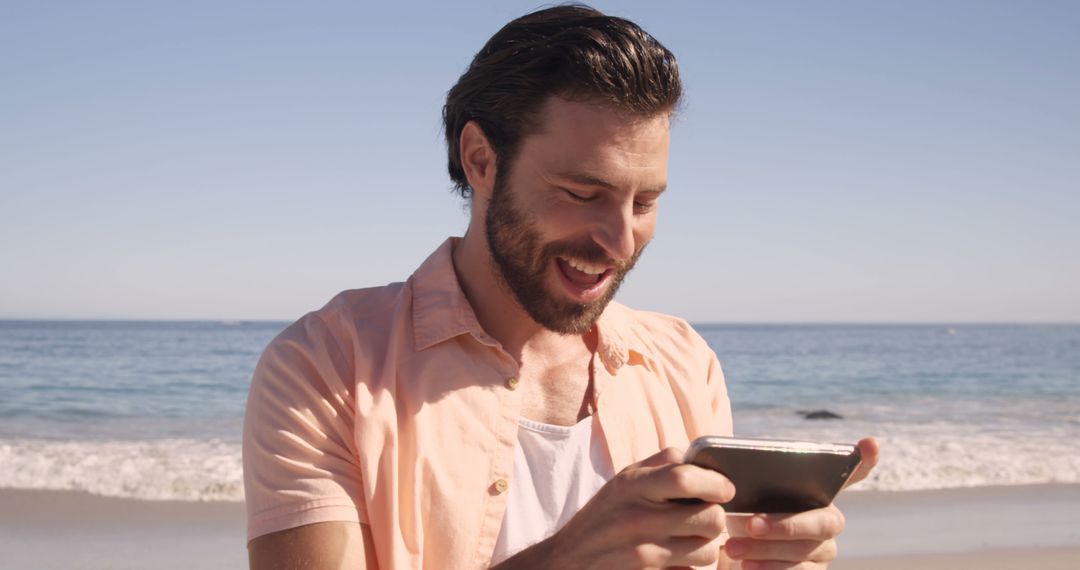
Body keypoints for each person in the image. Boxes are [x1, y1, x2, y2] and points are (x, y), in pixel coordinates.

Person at [243, 5, 879, 569]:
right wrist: (571, 558)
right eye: (583, 194)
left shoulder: (685, 363)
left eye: (644, 202)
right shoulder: (326, 369)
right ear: (481, 160)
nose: (621, 241)